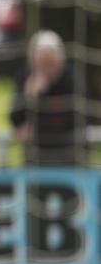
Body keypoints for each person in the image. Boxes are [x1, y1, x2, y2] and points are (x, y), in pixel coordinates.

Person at [9, 30, 82, 166]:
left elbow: (78, 118)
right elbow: (15, 118)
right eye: (42, 61)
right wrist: (29, 96)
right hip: (35, 156)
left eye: (50, 61)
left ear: (60, 60)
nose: (46, 66)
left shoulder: (72, 79)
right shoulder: (25, 77)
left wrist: (37, 128)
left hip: (68, 156)